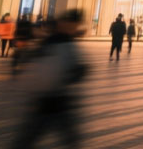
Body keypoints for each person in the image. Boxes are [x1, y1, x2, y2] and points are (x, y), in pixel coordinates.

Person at [10, 10, 88, 148]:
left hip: (56, 101)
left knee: (67, 138)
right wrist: (77, 72)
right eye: (74, 24)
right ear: (65, 24)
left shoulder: (61, 41)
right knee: (30, 137)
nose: (75, 27)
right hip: (50, 100)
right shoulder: (58, 42)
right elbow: (51, 70)